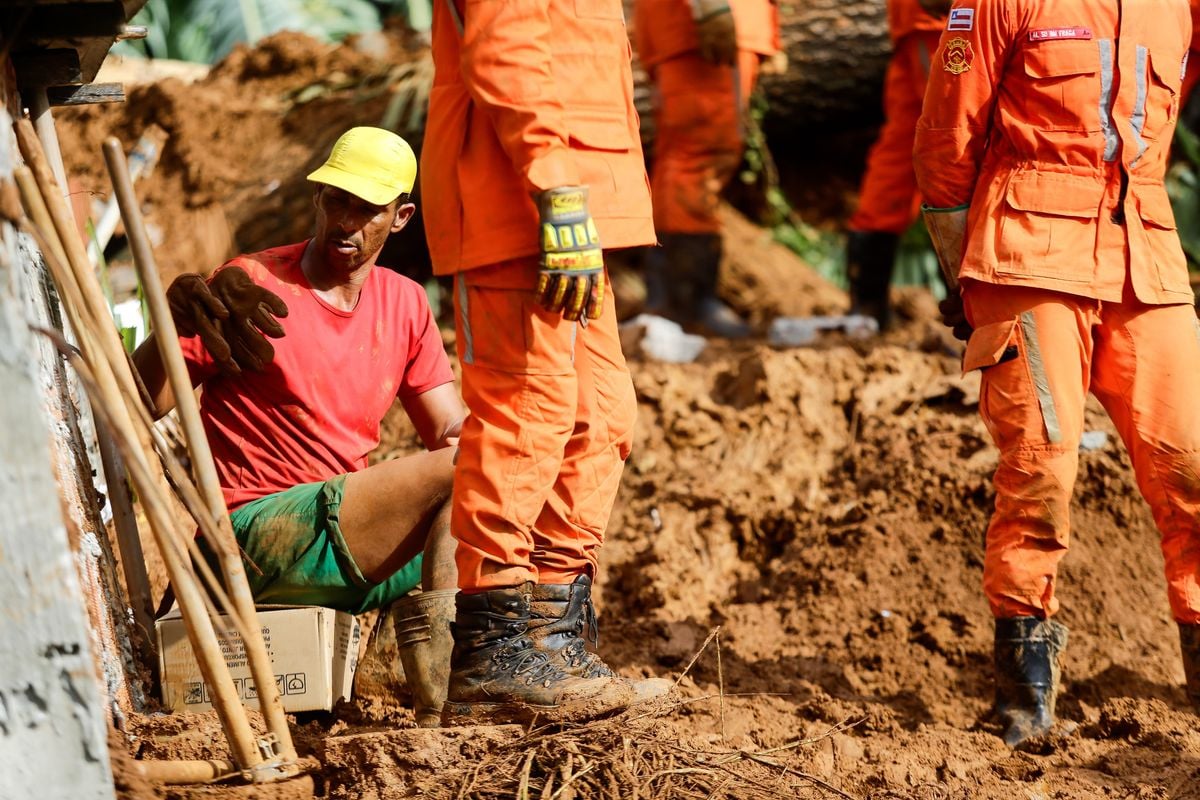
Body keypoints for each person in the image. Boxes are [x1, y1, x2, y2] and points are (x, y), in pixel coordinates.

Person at [915, 0, 1200, 747]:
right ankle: (1022, 700)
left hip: (1148, 253)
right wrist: (962, 281)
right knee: (1041, 470)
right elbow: (946, 142)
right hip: (1030, 251)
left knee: (1192, 464)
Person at [134, 127, 464, 728]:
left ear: (401, 218)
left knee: (500, 504)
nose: (346, 222)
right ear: (318, 200)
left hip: (336, 540)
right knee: (469, 474)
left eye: (367, 209)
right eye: (336, 200)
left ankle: (389, 674)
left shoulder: (407, 304)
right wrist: (170, 322)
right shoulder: (252, 285)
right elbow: (140, 401)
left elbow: (450, 430)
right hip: (253, 537)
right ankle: (439, 715)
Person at [420, 0, 671, 724]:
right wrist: (555, 182)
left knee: (599, 417)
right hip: (519, 200)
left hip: (573, 210)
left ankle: (550, 638)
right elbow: (507, 47)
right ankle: (493, 653)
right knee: (530, 412)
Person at [634, 0, 781, 338]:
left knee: (682, 156)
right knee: (699, 156)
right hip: (705, 24)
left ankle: (673, 302)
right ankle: (687, 304)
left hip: (687, 26)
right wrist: (710, 7)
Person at [845, 0, 950, 329]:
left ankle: (867, 306)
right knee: (953, 142)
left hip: (923, 21)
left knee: (905, 149)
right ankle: (972, 308)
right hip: (942, 20)